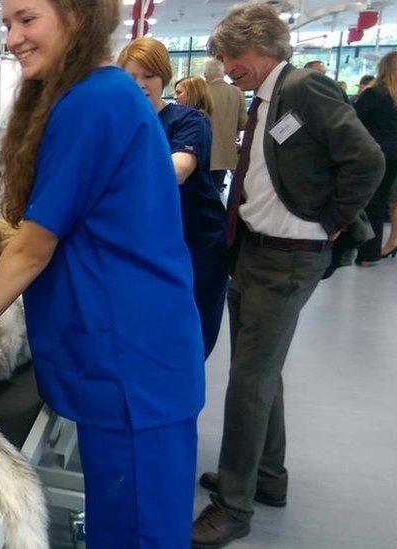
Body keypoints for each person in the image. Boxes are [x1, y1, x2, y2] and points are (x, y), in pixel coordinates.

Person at [0, 0, 205, 545]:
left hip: (131, 364)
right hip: (139, 353)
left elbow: (35, 244)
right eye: (7, 22)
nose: (12, 37)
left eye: (27, 18)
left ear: (77, 16)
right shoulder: (108, 96)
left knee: (138, 532)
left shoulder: (93, 103)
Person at [192, 4, 384, 547]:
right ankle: (265, 479)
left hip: (289, 256)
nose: (226, 66)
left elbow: (367, 161)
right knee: (262, 372)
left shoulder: (302, 90)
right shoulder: (269, 99)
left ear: (261, 46)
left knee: (248, 382)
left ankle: (233, 504)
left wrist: (331, 221)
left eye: (231, 55)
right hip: (254, 251)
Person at [119, 37, 228, 358]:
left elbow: (177, 169)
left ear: (164, 77)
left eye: (148, 76)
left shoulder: (188, 121)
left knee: (192, 338)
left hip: (196, 244)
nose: (140, 85)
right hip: (146, 247)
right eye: (131, 77)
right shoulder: (121, 125)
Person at [354, 52, 397, 265]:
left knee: (369, 204)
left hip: (378, 154)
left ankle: (367, 252)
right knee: (380, 204)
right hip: (395, 155)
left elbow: (353, 121)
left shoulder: (374, 94)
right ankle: (372, 252)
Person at [203, 57, 247, 192]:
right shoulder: (237, 92)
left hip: (203, 151)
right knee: (216, 192)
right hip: (225, 153)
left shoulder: (202, 92)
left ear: (205, 75)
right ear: (223, 73)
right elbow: (243, 122)